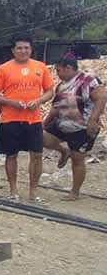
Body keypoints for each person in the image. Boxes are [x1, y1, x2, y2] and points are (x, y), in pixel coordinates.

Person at [0, 35, 54, 201]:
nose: (23, 51)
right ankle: (13, 191)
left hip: (33, 119)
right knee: (11, 155)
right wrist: (11, 102)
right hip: (10, 119)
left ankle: (33, 191)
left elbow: (49, 91)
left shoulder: (40, 67)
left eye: (26, 48)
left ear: (31, 49)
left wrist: (38, 101)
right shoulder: (3, 69)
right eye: (19, 48)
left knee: (37, 155)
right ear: (13, 50)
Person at [43, 54, 107, 201]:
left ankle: (75, 192)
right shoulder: (61, 86)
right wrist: (45, 123)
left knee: (77, 158)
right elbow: (55, 108)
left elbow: (101, 98)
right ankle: (63, 151)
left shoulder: (88, 80)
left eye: (59, 70)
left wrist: (93, 120)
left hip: (82, 126)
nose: (57, 74)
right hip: (62, 122)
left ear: (69, 68)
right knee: (41, 137)